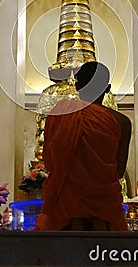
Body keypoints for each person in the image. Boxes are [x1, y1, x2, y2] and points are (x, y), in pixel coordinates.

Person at [35, 61, 132, 231]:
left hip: (66, 208)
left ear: (77, 85)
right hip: (104, 205)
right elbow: (119, 170)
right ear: (108, 88)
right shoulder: (122, 122)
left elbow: (50, 162)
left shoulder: (61, 114)